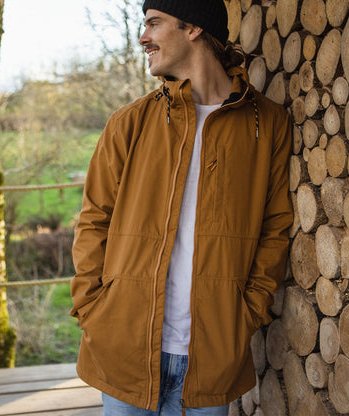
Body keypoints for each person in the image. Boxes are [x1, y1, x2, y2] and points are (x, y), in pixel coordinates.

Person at [70, 0, 293, 415]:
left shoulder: (268, 123)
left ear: (193, 28)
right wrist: (92, 307)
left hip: (211, 358)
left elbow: (275, 226)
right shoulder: (129, 123)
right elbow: (93, 220)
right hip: (122, 349)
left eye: (154, 23)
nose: (143, 37)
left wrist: (249, 311)